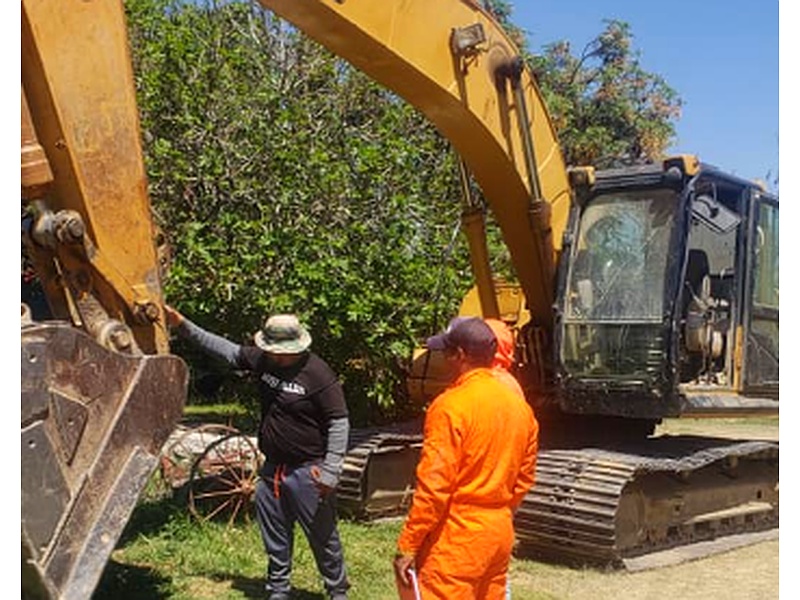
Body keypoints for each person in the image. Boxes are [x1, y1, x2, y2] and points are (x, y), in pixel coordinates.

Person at [164, 306, 350, 600]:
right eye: (272, 350)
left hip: (309, 471)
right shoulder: (264, 361)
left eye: (280, 351)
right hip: (272, 468)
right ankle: (278, 591)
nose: (275, 355)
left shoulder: (317, 373)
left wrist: (331, 469)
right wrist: (182, 325)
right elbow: (223, 349)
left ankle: (337, 591)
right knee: (275, 535)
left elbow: (339, 422)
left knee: (323, 537)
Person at [393, 316, 539, 600]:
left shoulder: (450, 406)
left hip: (456, 538)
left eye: (445, 352)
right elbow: (524, 478)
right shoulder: (521, 408)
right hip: (498, 532)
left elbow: (435, 486)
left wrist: (409, 544)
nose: (443, 359)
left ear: (459, 355)